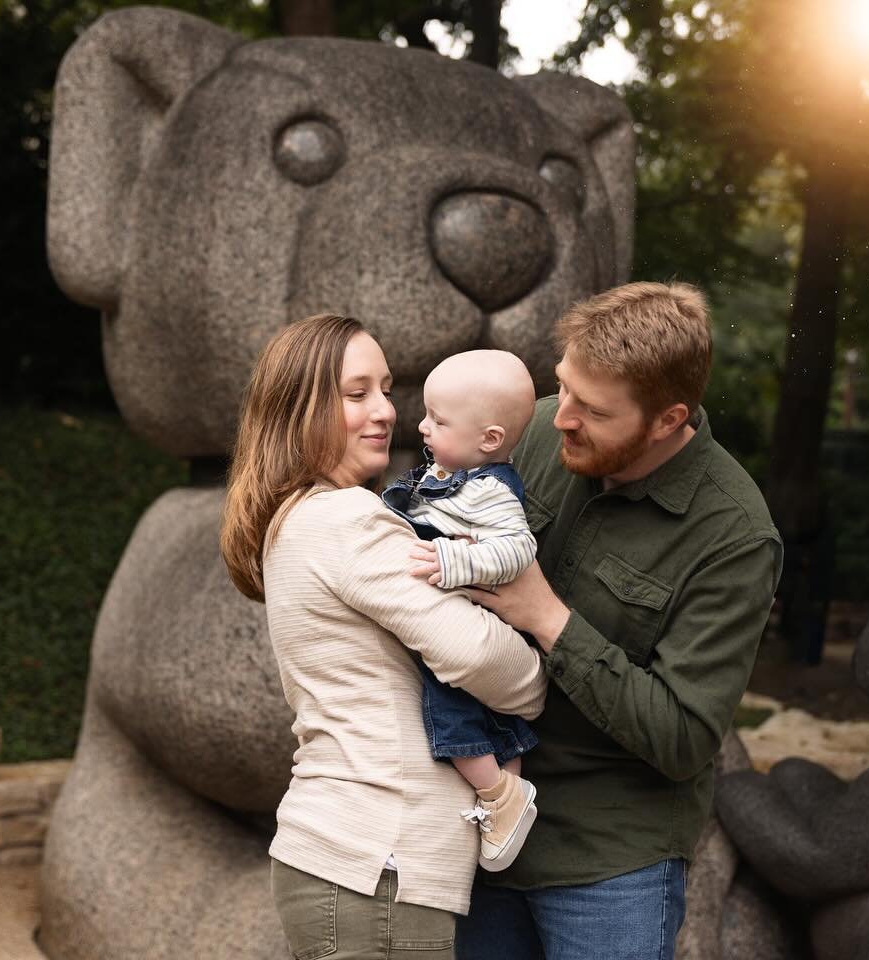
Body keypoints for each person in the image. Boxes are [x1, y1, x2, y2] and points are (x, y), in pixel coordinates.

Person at [454, 282, 784, 960]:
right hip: (479, 828)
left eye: (593, 410)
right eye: (564, 387)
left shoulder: (735, 536)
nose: (562, 417)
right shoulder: (535, 433)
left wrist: (549, 619)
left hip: (611, 861)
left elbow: (685, 735)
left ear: (668, 419)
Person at [219, 313, 547, 960]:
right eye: (355, 392)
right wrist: (537, 675)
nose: (385, 411)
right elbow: (479, 653)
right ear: (301, 408)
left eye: (386, 388)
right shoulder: (347, 519)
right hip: (377, 864)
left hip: (358, 861)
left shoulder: (301, 516)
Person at [381, 349, 540, 871]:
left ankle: (498, 796)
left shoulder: (491, 493)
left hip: (480, 627)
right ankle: (508, 804)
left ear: (488, 440)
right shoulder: (450, 474)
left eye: (438, 419)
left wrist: (455, 560)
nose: (421, 426)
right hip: (470, 626)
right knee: (498, 726)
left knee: (453, 721)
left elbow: (518, 551)